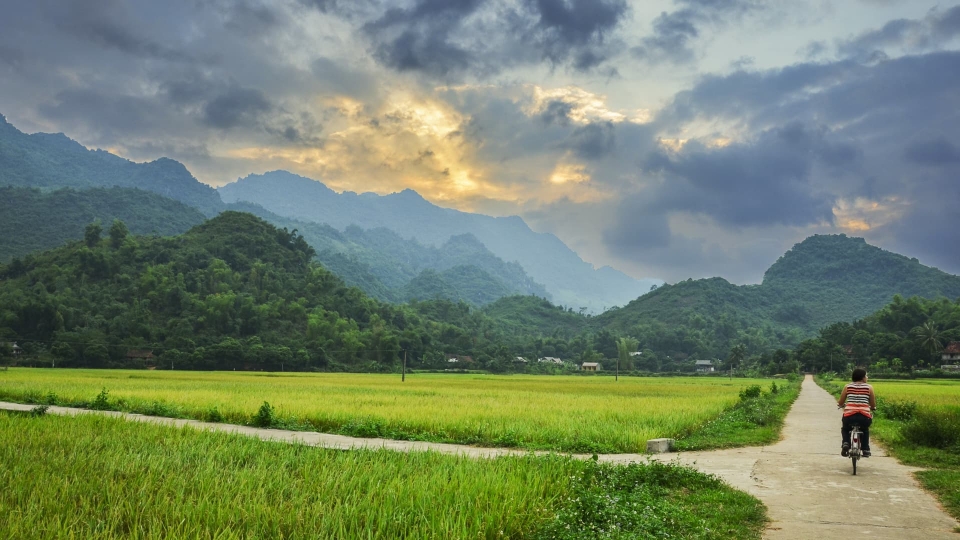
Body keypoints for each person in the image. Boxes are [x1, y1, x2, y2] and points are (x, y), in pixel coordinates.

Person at [837, 367, 876, 457]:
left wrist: (841, 405)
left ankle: (846, 443)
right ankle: (865, 449)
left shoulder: (847, 386)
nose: (867, 377)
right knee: (865, 429)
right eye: (866, 376)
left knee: (845, 429)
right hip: (864, 416)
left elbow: (841, 402)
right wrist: (873, 407)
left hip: (849, 416)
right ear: (862, 377)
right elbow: (873, 404)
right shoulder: (869, 387)